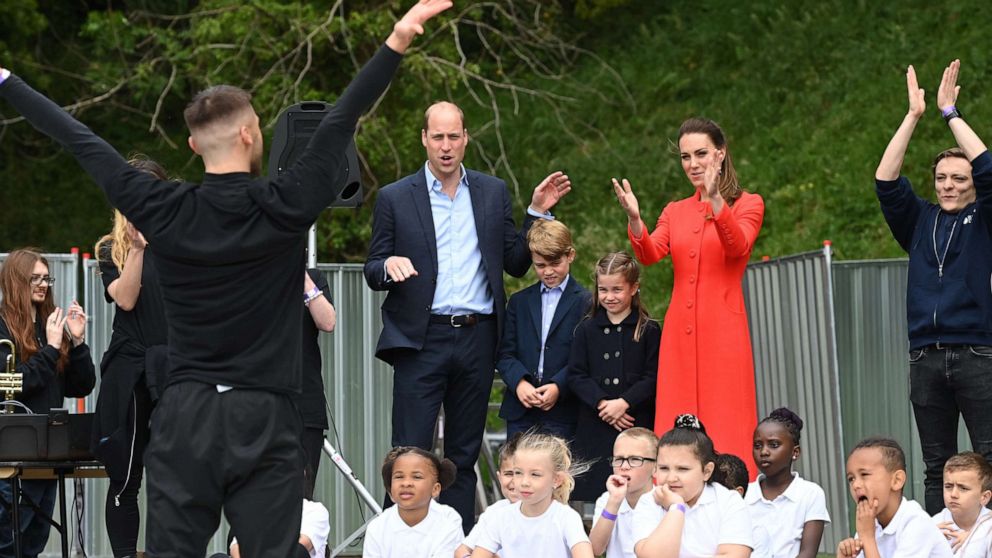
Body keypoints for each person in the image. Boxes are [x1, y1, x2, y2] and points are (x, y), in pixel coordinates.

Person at [0, 2, 453, 555]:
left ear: (193, 145)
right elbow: (339, 121)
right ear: (249, 134)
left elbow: (81, 140)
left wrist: (6, 80)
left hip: (186, 413)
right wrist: (397, 40)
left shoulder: (163, 207)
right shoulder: (285, 203)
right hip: (265, 413)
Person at [363, 97, 572, 532]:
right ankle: (400, 543)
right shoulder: (395, 197)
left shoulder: (492, 191)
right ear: (424, 139)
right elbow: (372, 266)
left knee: (461, 454)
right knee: (409, 452)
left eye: (452, 136)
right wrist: (388, 266)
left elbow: (515, 262)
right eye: (436, 136)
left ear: (465, 139)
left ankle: (457, 541)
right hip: (421, 338)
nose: (444, 145)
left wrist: (536, 212)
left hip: (478, 337)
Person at [613, 117, 765, 476]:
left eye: (701, 154)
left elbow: (737, 245)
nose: (693, 164)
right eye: (685, 157)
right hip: (680, 332)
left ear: (721, 155)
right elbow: (650, 253)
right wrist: (636, 220)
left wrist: (715, 200)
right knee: (676, 422)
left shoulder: (748, 203)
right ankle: (673, 485)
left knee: (726, 416)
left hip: (724, 332)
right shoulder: (675, 210)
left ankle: (730, 485)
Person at [874, 59, 992, 515]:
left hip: (978, 353)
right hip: (925, 355)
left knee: (988, 456)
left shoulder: (984, 219)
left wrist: (951, 113)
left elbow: (987, 167)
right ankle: (935, 543)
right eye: (941, 178)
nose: (948, 185)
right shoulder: (919, 219)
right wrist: (913, 116)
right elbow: (885, 180)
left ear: (973, 187)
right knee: (935, 464)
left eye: (959, 179)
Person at [91, 157, 171, 558]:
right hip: (131, 370)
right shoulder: (111, 249)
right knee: (126, 477)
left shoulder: (181, 240)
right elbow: (125, 298)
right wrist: (137, 248)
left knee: (176, 474)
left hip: (176, 367)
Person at [0, 248, 96, 557]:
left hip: (47, 451)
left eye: (46, 278)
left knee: (34, 542)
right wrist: (51, 350)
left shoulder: (49, 327)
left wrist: (77, 343)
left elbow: (81, 385)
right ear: (16, 281)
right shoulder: (2, 328)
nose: (43, 285)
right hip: (12, 453)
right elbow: (12, 385)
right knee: (8, 541)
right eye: (35, 279)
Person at [567, 252, 659, 501]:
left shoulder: (648, 329)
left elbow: (653, 377)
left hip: (635, 421)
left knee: (636, 491)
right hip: (595, 423)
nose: (609, 297)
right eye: (603, 290)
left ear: (634, 288)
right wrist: (602, 404)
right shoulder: (586, 329)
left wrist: (623, 403)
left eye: (617, 289)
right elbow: (576, 375)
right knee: (594, 491)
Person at [497, 219, 589, 438]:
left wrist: (559, 386)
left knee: (558, 469)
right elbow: (504, 351)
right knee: (517, 468)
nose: (548, 271)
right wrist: (519, 383)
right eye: (540, 265)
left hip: (563, 410)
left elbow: (584, 357)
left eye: (555, 263)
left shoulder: (587, 302)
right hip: (521, 410)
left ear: (571, 256)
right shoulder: (519, 301)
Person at [631, 414, 753, 558]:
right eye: (664, 468)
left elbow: (735, 554)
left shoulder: (728, 501)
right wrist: (676, 508)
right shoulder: (648, 502)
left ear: (707, 471)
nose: (671, 478)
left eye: (682, 469)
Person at [469, 432, 593, 558]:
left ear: (556, 480)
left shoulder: (566, 518)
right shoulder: (500, 517)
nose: (524, 482)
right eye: (518, 472)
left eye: (535, 474)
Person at [836, 437, 951, 558]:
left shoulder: (916, 523)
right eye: (851, 479)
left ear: (897, 480)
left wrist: (867, 538)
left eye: (864, 474)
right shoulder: (869, 524)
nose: (855, 485)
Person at [745, 407, 830, 558]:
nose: (764, 452)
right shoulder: (744, 494)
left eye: (774, 444)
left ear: (795, 452)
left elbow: (807, 553)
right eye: (758, 446)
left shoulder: (810, 494)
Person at [362, 447, 463, 558]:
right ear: (390, 489)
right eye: (399, 476)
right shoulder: (377, 528)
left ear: (435, 489)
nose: (406, 483)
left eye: (416, 477)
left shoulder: (448, 520)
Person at [589, 427, 658, 558]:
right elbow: (595, 549)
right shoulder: (606, 500)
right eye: (619, 459)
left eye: (635, 459)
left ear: (655, 467)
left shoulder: (664, 502)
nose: (624, 466)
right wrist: (614, 502)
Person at [300, 266, 336, 499]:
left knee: (300, 495)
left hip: (302, 404)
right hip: (250, 405)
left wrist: (300, 276)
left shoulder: (312, 279)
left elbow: (328, 322)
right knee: (248, 498)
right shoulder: (241, 275)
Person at [455, 434, 522, 558]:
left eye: (520, 474)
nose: (515, 481)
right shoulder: (494, 512)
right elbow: (462, 550)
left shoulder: (554, 514)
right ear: (499, 477)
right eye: (508, 474)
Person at [931, 452, 992, 557]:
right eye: (948, 486)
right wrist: (927, 543)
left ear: (984, 497)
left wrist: (974, 542)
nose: (953, 494)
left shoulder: (989, 527)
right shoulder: (935, 526)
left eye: (963, 488)